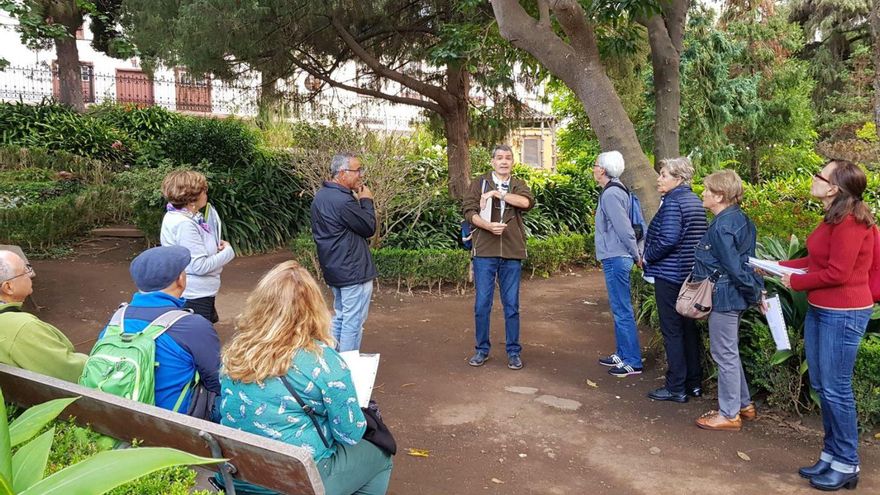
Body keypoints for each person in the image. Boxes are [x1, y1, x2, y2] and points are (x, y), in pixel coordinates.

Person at [219, 261, 393, 495]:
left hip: (240, 473)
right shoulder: (322, 360)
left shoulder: (236, 351)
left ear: (261, 304)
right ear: (315, 308)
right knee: (381, 451)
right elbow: (349, 434)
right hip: (297, 480)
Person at [779, 160, 873, 491]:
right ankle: (832, 454)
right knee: (822, 384)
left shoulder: (850, 222)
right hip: (822, 309)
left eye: (819, 175)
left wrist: (795, 282)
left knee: (836, 388)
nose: (812, 178)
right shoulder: (833, 217)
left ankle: (847, 463)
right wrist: (778, 266)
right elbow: (817, 262)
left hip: (844, 312)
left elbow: (838, 274)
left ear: (833, 188)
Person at [95, 245, 221, 416]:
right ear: (180, 279)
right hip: (173, 425)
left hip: (119, 416)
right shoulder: (193, 325)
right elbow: (217, 380)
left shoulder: (118, 318)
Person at [691, 170, 764, 431]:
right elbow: (748, 265)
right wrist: (756, 292)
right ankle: (744, 405)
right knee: (729, 351)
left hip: (724, 296)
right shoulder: (741, 219)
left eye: (707, 190)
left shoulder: (721, 225)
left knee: (724, 354)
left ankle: (729, 414)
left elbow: (734, 267)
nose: (703, 193)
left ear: (720, 195)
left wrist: (755, 293)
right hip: (734, 295)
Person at [461, 144, 534, 370]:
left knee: (511, 305)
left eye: (508, 158)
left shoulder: (518, 185)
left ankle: (513, 351)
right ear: (492, 162)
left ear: (513, 162)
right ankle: (481, 349)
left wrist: (498, 193)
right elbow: (468, 211)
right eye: (499, 158)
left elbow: (527, 203)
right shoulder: (479, 182)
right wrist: (487, 226)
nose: (504, 161)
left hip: (512, 251)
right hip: (484, 251)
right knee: (482, 304)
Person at [643, 157, 708, 402]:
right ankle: (694, 383)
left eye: (663, 175)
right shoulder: (693, 200)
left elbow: (668, 239)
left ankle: (675, 387)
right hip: (688, 274)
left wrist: (648, 256)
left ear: (678, 178)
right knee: (688, 329)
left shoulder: (672, 202)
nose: (659, 179)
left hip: (670, 275)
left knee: (672, 330)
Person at [311, 152, 378, 352]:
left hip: (335, 268)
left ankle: (334, 361)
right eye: (357, 170)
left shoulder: (321, 196)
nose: (361, 175)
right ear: (341, 173)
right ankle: (347, 369)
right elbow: (368, 227)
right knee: (353, 322)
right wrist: (366, 201)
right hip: (353, 271)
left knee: (341, 317)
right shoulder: (342, 201)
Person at [160, 170, 235, 323]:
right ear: (192, 198)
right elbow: (199, 266)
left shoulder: (181, 216)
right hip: (195, 295)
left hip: (196, 292)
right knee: (200, 343)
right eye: (203, 190)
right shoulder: (185, 224)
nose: (206, 193)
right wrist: (228, 252)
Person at [593, 151, 643, 377]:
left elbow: (624, 228)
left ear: (602, 170)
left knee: (622, 309)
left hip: (616, 256)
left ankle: (632, 360)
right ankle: (623, 353)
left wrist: (635, 254)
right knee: (618, 307)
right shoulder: (617, 190)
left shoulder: (611, 194)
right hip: (616, 255)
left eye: (595, 166)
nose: (593, 169)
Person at [0, 250, 86, 382]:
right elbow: (70, 371)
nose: (31, 275)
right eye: (25, 271)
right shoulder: (22, 328)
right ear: (8, 287)